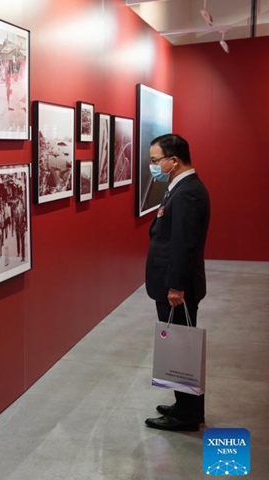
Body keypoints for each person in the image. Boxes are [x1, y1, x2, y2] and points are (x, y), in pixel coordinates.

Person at [143, 133, 210, 432]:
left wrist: (176, 286)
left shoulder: (188, 193)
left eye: (155, 160)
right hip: (172, 281)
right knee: (180, 346)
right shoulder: (180, 187)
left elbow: (184, 244)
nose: (153, 166)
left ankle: (186, 414)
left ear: (174, 160)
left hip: (177, 286)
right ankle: (186, 406)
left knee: (182, 348)